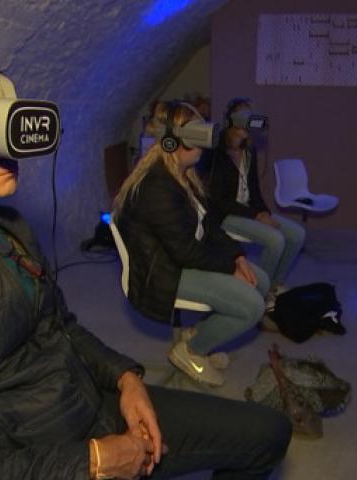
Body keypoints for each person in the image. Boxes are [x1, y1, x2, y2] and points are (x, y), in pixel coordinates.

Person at [0, 52, 291, 480]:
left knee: (268, 433)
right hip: (35, 456)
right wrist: (92, 461)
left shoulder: (9, 227)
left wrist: (126, 378)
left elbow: (61, 327)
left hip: (87, 401)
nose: (9, 145)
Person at [113, 101, 270, 387]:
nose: (204, 142)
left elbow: (209, 224)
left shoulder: (183, 174)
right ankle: (192, 351)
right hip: (164, 273)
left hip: (183, 258)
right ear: (172, 141)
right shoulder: (157, 186)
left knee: (261, 280)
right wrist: (229, 268)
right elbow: (185, 252)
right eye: (195, 134)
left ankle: (199, 335)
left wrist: (237, 256)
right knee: (251, 305)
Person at [201, 98, 305, 294]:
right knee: (275, 240)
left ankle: (273, 285)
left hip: (248, 210)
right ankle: (257, 292)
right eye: (241, 115)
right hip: (225, 214)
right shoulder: (215, 150)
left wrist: (264, 212)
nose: (246, 120)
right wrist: (256, 215)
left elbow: (254, 189)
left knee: (297, 234)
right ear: (230, 119)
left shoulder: (249, 150)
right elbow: (218, 200)